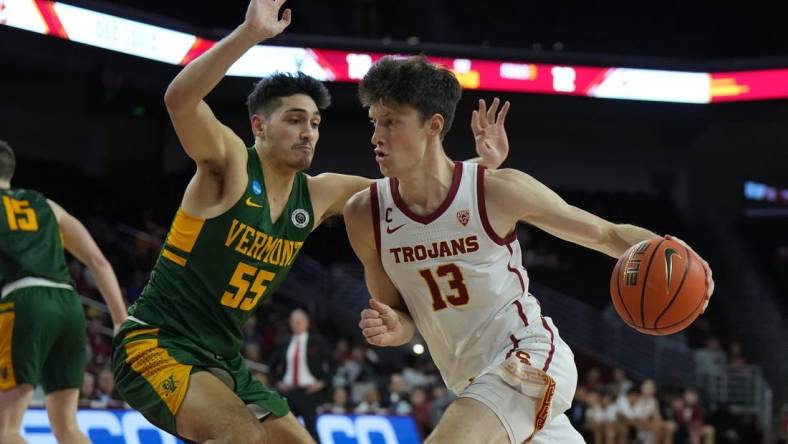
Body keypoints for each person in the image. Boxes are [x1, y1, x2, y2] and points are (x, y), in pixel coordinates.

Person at [110, 1, 509, 443]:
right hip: (156, 342)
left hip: (222, 358)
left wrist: (478, 164)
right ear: (258, 126)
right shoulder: (229, 165)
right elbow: (179, 100)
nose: (309, 133)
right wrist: (248, 33)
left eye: (315, 123)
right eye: (295, 120)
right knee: (241, 437)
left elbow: (408, 190)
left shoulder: (319, 193)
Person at [343, 55, 716, 443]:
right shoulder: (364, 215)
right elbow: (401, 319)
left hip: (529, 356)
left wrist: (675, 252)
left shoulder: (494, 190)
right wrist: (391, 328)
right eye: (374, 122)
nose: (376, 137)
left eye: (390, 123)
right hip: (471, 384)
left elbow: (605, 234)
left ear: (433, 126)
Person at [0, 140, 127, 444]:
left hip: (24, 301)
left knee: (7, 429)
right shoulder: (46, 204)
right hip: (69, 307)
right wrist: (121, 319)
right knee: (67, 427)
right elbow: (98, 261)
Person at [269, 309, 331, 439]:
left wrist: (323, 382)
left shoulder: (316, 341)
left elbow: (333, 363)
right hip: (288, 392)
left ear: (306, 323)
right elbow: (272, 365)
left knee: (310, 429)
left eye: (299, 321)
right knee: (285, 429)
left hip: (308, 392)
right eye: (293, 321)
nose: (296, 324)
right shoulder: (285, 342)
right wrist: (277, 382)